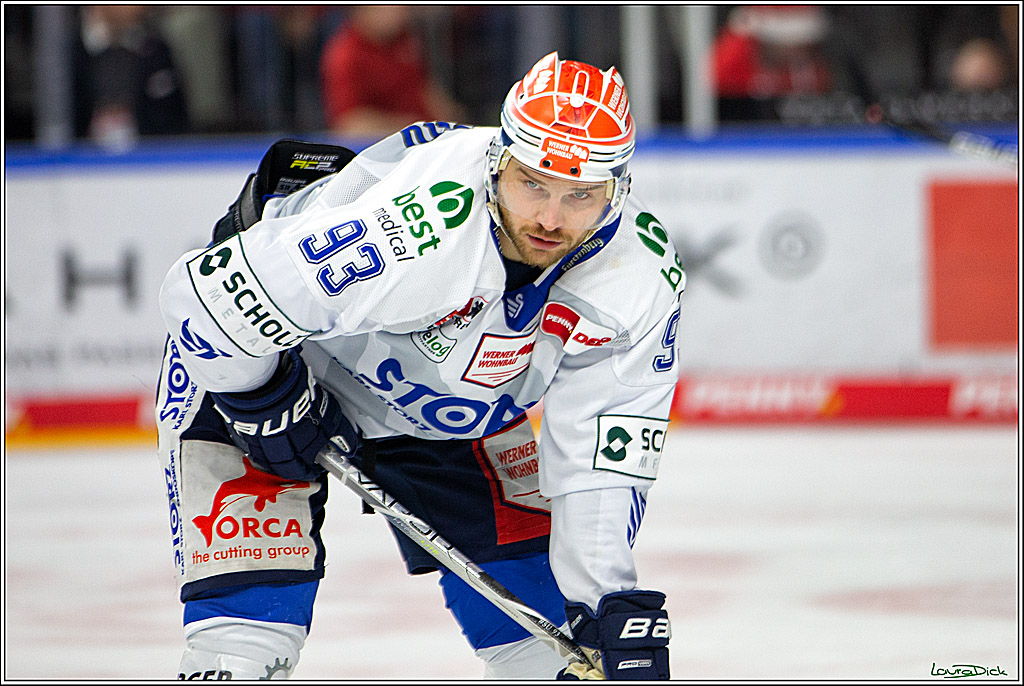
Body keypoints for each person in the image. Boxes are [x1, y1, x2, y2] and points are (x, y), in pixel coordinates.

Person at [157, 52, 682, 679]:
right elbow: (200, 300)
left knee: (554, 650)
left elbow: (606, 444)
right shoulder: (421, 227)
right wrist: (263, 397)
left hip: (458, 413)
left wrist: (605, 601)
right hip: (262, 361)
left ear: (617, 189)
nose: (549, 217)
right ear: (498, 162)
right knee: (243, 647)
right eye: (533, 182)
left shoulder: (636, 277)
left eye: (580, 195)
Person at [320, 5, 465, 138]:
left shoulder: (405, 39)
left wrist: (452, 121)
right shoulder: (344, 55)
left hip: (431, 138)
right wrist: (412, 127)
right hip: (393, 147)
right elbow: (349, 124)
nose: (401, 10)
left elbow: (422, 88)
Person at [72, 5, 188, 149]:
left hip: (148, 161)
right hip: (77, 163)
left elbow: (174, 122)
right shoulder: (67, 55)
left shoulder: (155, 51)